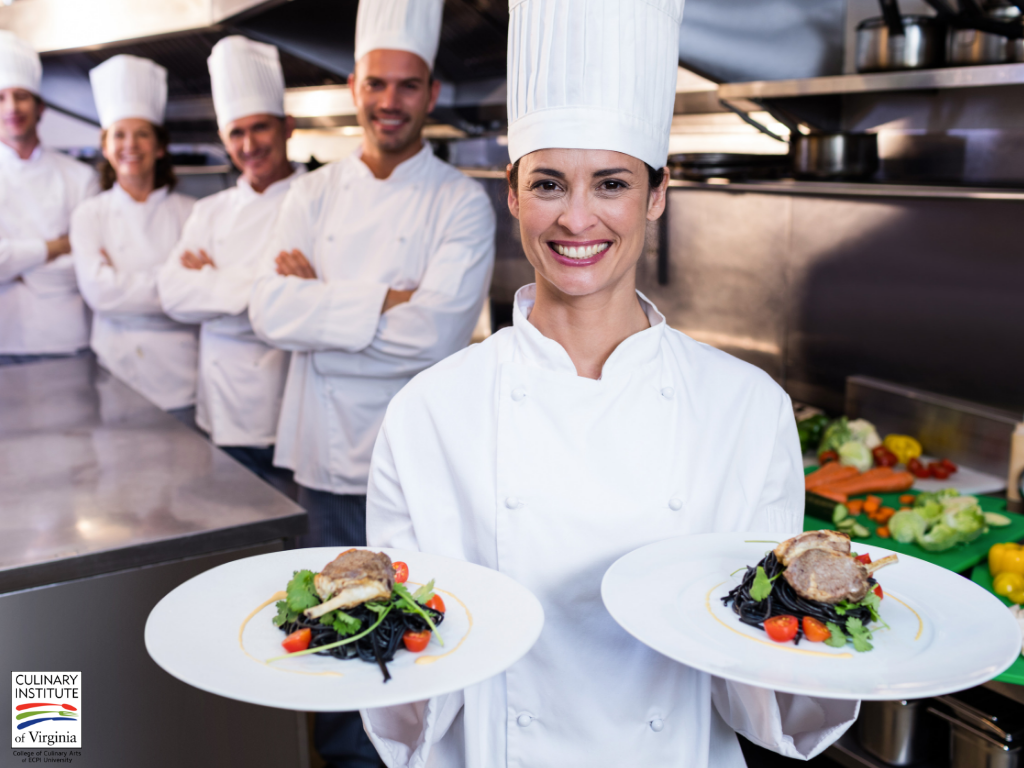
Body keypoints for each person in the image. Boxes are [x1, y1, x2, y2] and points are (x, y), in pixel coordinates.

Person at [359, 1, 859, 766]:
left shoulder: (745, 407)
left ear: (658, 195)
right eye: (552, 183)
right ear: (513, 193)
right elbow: (407, 681)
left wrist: (825, 635)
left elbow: (759, 685)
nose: (578, 219)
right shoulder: (430, 411)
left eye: (614, 183)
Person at [249, 0, 495, 547]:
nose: (390, 101)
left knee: (415, 616)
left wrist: (314, 314)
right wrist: (389, 300)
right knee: (327, 618)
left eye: (408, 86)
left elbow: (434, 337)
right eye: (377, 83)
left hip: (416, 458)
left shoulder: (462, 201)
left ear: (431, 94)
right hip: (323, 461)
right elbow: (267, 311)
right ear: (354, 86)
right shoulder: (310, 192)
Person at [158, 36, 303, 496]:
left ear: (287, 127)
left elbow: (303, 308)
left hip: (290, 410)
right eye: (235, 133)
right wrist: (268, 288)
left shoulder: (319, 198)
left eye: (259, 128)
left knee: (295, 548)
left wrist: (211, 282)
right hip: (221, 414)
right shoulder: (210, 210)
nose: (249, 144)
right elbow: (172, 293)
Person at [70, 55, 197, 419]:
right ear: (106, 145)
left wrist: (123, 286)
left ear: (159, 146)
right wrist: (170, 284)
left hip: (181, 378)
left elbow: (195, 297)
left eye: (142, 133)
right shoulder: (89, 214)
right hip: (115, 373)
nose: (131, 144)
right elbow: (99, 293)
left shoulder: (192, 213)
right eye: (120, 134)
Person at [0, 31, 98, 366]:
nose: (12, 107)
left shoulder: (81, 177)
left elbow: (87, 263)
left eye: (22, 96)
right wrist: (55, 247)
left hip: (67, 340)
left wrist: (15, 264)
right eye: (1, 97)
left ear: (41, 107)